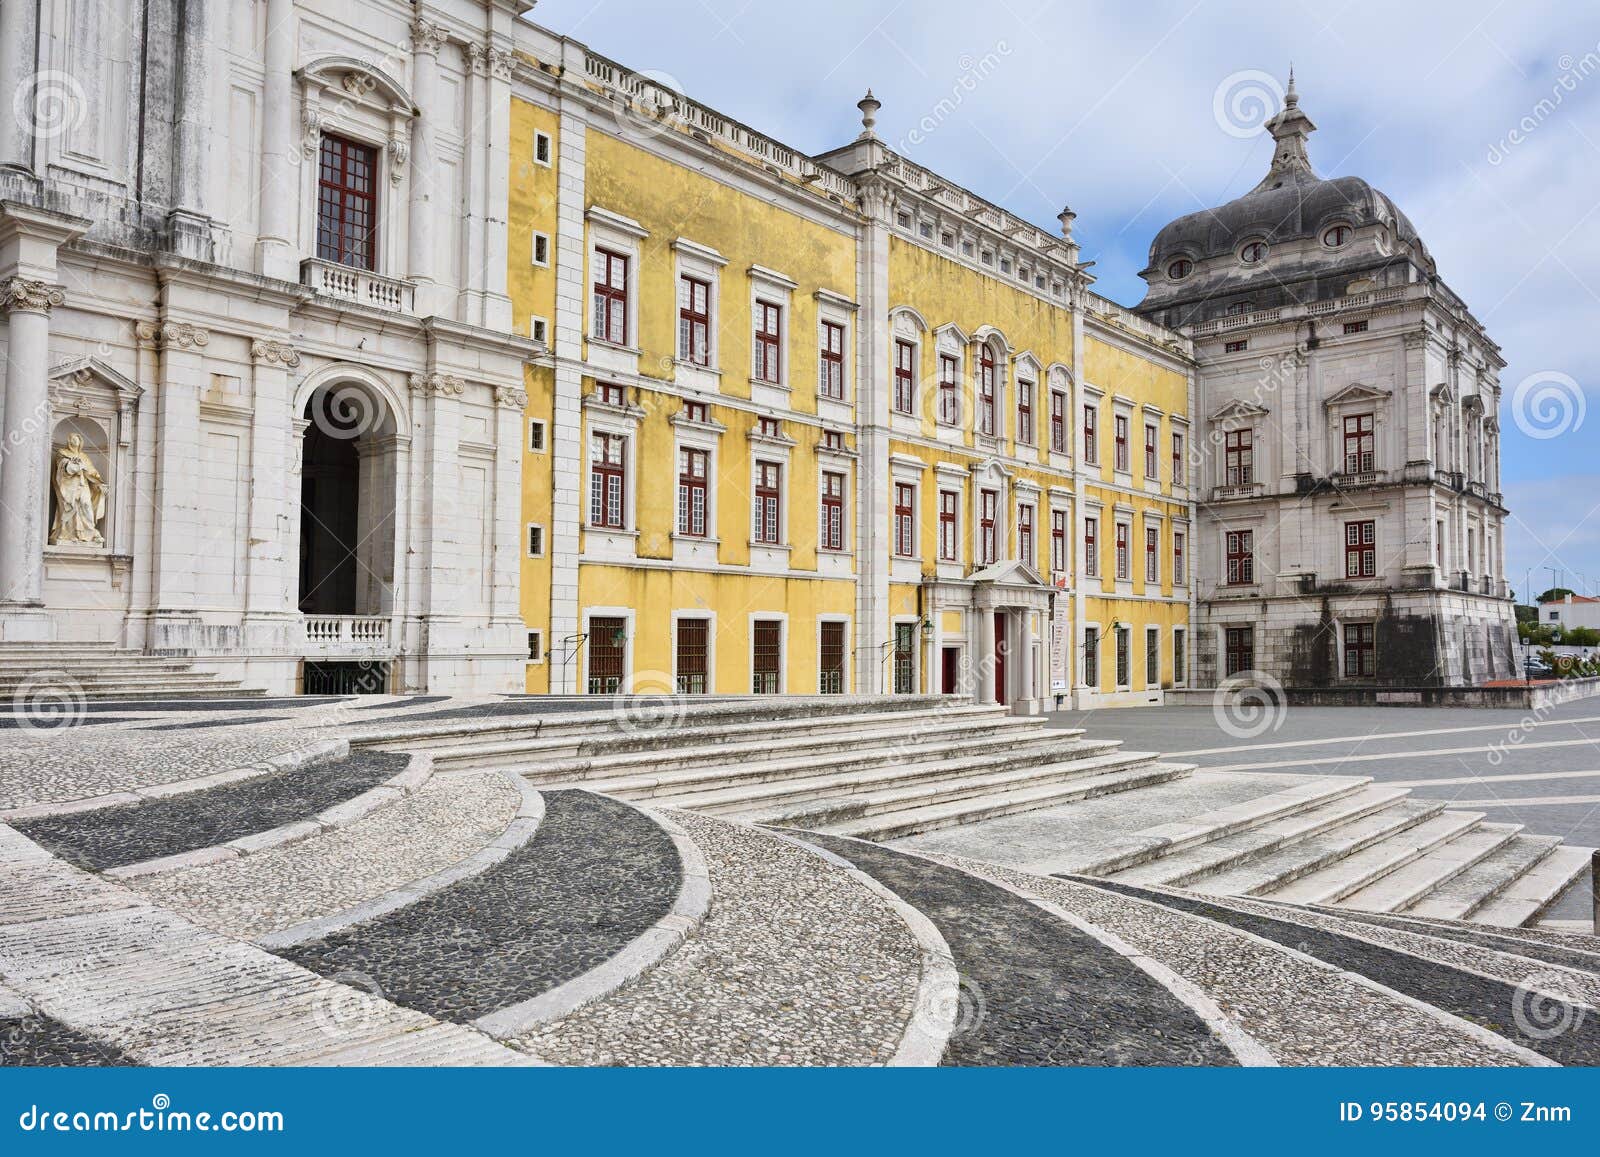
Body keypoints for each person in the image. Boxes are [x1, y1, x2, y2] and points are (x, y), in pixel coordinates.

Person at [50, 432, 107, 546]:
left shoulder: (83, 456)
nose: (75, 441)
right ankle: (66, 534)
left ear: (80, 442)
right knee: (69, 508)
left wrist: (99, 484)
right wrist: (73, 465)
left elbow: (91, 472)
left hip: (82, 485)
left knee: (86, 505)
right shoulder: (62, 453)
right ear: (69, 441)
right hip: (68, 487)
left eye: (77, 440)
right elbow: (63, 468)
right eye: (72, 439)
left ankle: (89, 533)